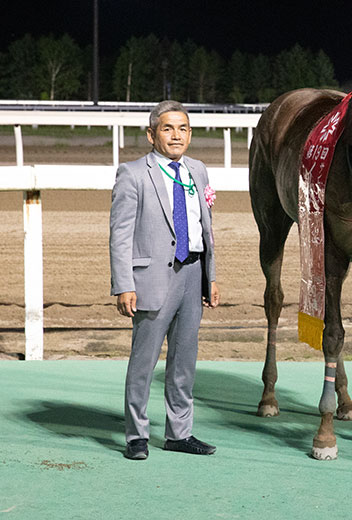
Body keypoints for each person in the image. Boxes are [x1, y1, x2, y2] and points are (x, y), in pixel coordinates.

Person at [110, 100, 220, 460]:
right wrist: (124, 284)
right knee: (143, 363)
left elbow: (206, 229)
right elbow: (120, 235)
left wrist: (211, 277)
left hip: (193, 275)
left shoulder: (197, 170)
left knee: (184, 361)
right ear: (151, 134)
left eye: (182, 128)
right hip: (152, 280)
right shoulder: (132, 174)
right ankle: (136, 436)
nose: (176, 135)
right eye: (168, 128)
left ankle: (179, 433)